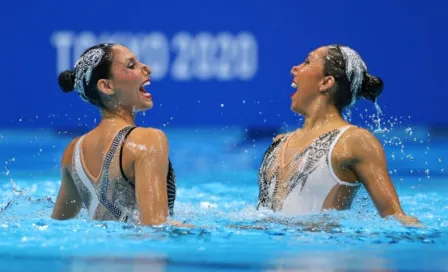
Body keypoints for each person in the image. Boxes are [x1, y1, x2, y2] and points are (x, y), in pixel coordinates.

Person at [257, 44, 421, 226]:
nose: (294, 68)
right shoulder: (280, 143)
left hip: (325, 252)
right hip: (272, 252)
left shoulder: (354, 141)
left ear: (326, 82)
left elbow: (396, 218)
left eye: (307, 62)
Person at [51, 43, 176, 226]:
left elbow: (57, 226)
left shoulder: (73, 152)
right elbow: (155, 228)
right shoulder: (148, 140)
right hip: (137, 253)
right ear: (107, 86)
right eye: (131, 65)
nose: (147, 68)